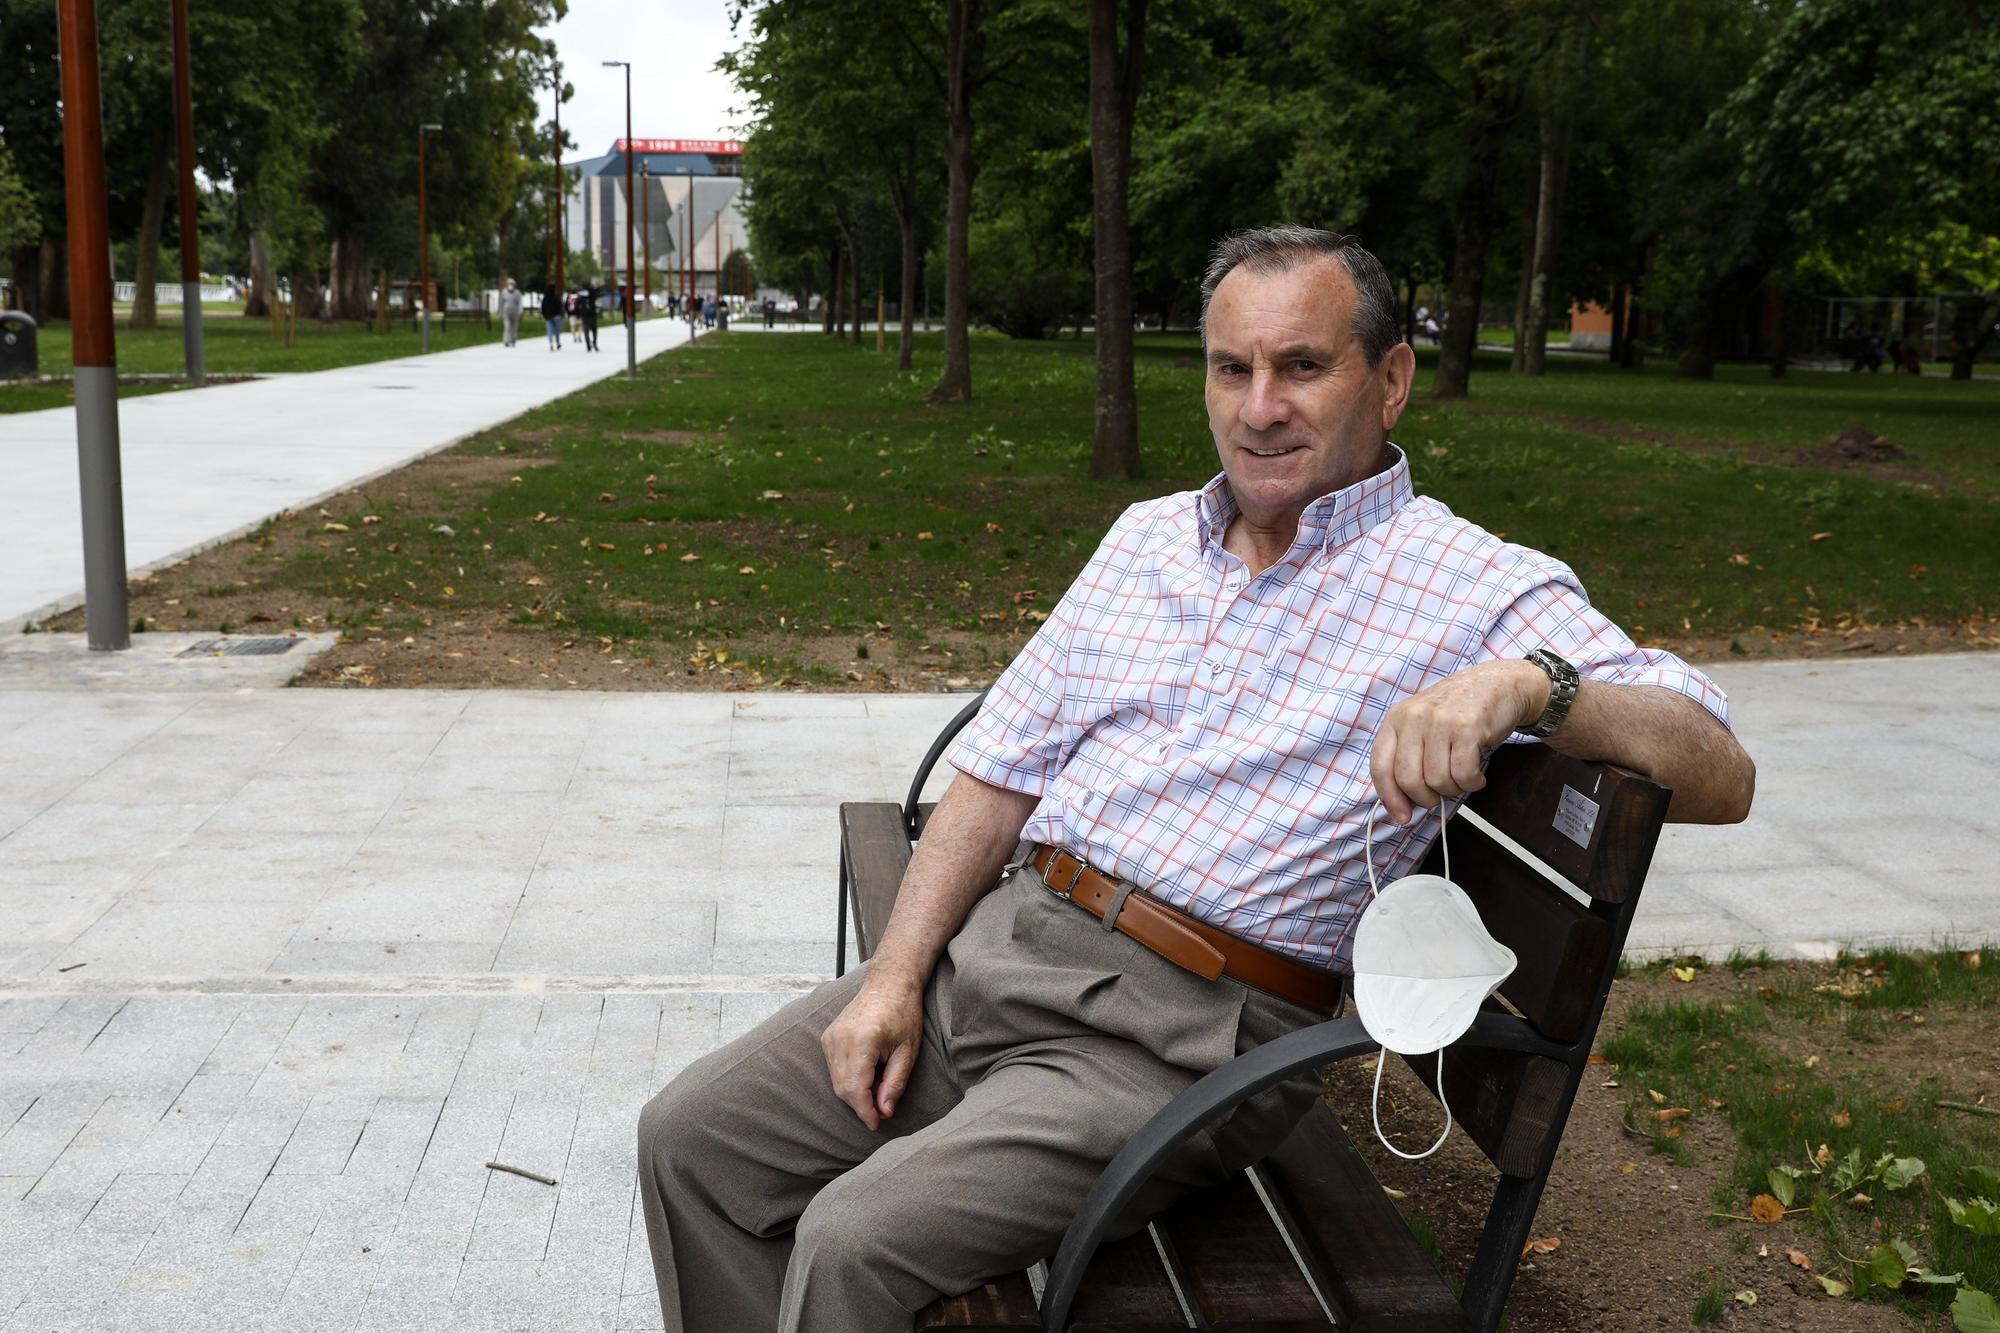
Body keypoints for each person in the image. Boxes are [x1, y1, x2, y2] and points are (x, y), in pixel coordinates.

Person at [636, 229, 1755, 1330]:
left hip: (1175, 1039)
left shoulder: (1467, 583)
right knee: (690, 1141)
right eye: (1232, 368)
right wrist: (891, 977)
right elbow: (996, 771)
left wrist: (1533, 688)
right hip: (999, 953)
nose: (1258, 406)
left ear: (1391, 380)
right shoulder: (1145, 540)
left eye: (1301, 366)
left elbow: (1718, 764)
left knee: (852, 1241)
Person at [498, 278, 523, 348]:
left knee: (514, 327)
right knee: (507, 327)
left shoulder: (517, 293)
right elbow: (501, 303)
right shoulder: (504, 292)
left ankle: (513, 340)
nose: (510, 285)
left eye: (511, 284)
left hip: (515, 313)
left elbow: (520, 303)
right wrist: (500, 313)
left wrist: (520, 312)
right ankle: (506, 341)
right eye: (509, 284)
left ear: (514, 285)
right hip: (506, 313)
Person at [539, 284, 562, 350]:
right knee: (557, 330)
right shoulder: (557, 296)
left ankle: (551, 343)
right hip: (556, 316)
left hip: (548, 316)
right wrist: (559, 313)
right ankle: (558, 342)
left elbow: (543, 306)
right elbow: (560, 305)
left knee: (549, 330)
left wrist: (543, 314)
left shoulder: (545, 297)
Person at [580, 283, 601, 353]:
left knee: (586, 332)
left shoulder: (581, 295)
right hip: (593, 316)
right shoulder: (593, 294)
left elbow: (578, 305)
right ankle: (594, 343)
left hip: (585, 317)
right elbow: (598, 290)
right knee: (594, 331)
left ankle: (588, 345)